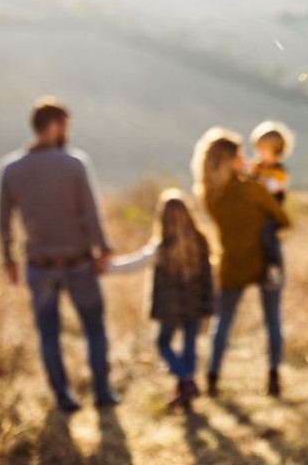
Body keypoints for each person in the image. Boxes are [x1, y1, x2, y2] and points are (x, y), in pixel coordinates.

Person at [0, 96, 119, 412]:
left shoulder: (11, 168)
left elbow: (3, 221)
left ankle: (63, 397)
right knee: (94, 327)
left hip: (38, 266)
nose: (68, 132)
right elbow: (90, 214)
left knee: (48, 334)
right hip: (78, 262)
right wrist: (103, 249)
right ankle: (102, 392)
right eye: (66, 126)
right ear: (54, 126)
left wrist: (8, 260)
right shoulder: (74, 163)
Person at [191, 127, 292, 398]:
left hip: (232, 262)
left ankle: (212, 378)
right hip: (266, 261)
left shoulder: (208, 195)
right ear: (230, 159)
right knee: (272, 320)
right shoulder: (252, 189)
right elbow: (283, 219)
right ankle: (273, 378)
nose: (246, 158)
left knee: (222, 322)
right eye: (240, 154)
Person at [109, 188, 215, 409]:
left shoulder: (162, 246)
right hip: (195, 304)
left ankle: (185, 381)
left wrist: (107, 267)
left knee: (162, 342)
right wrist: (209, 303)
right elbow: (208, 276)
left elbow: (135, 263)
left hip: (170, 308)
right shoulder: (200, 241)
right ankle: (186, 386)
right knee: (189, 346)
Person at [248, 120, 295, 288]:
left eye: (263, 149)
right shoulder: (256, 166)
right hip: (257, 212)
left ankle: (273, 267)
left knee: (268, 235)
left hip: (272, 213)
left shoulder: (280, 171)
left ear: (276, 150)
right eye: (258, 149)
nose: (259, 153)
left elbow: (273, 188)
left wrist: (257, 180)